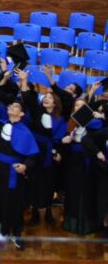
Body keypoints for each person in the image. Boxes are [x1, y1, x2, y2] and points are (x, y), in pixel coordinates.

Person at [0, 99, 39, 250]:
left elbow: (32, 155)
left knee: (13, 202)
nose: (11, 106)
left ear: (21, 114)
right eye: (11, 105)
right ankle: (1, 232)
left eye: (15, 106)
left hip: (13, 171)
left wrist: (25, 166)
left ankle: (16, 232)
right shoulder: (2, 124)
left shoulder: (25, 131)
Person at [20, 72, 67, 227]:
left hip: (49, 155)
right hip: (35, 152)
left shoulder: (60, 120)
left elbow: (59, 141)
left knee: (48, 184)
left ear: (55, 103)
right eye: (45, 97)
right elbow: (27, 98)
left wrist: (57, 153)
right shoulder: (36, 113)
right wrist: (24, 80)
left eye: (50, 98)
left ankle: (47, 211)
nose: (46, 98)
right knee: (33, 182)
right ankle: (34, 212)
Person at [60, 98, 103, 234]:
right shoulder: (71, 123)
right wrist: (66, 140)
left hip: (88, 162)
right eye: (76, 105)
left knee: (87, 191)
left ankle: (87, 224)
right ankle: (71, 223)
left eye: (82, 105)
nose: (78, 107)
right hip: (73, 161)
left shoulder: (95, 123)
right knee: (73, 190)